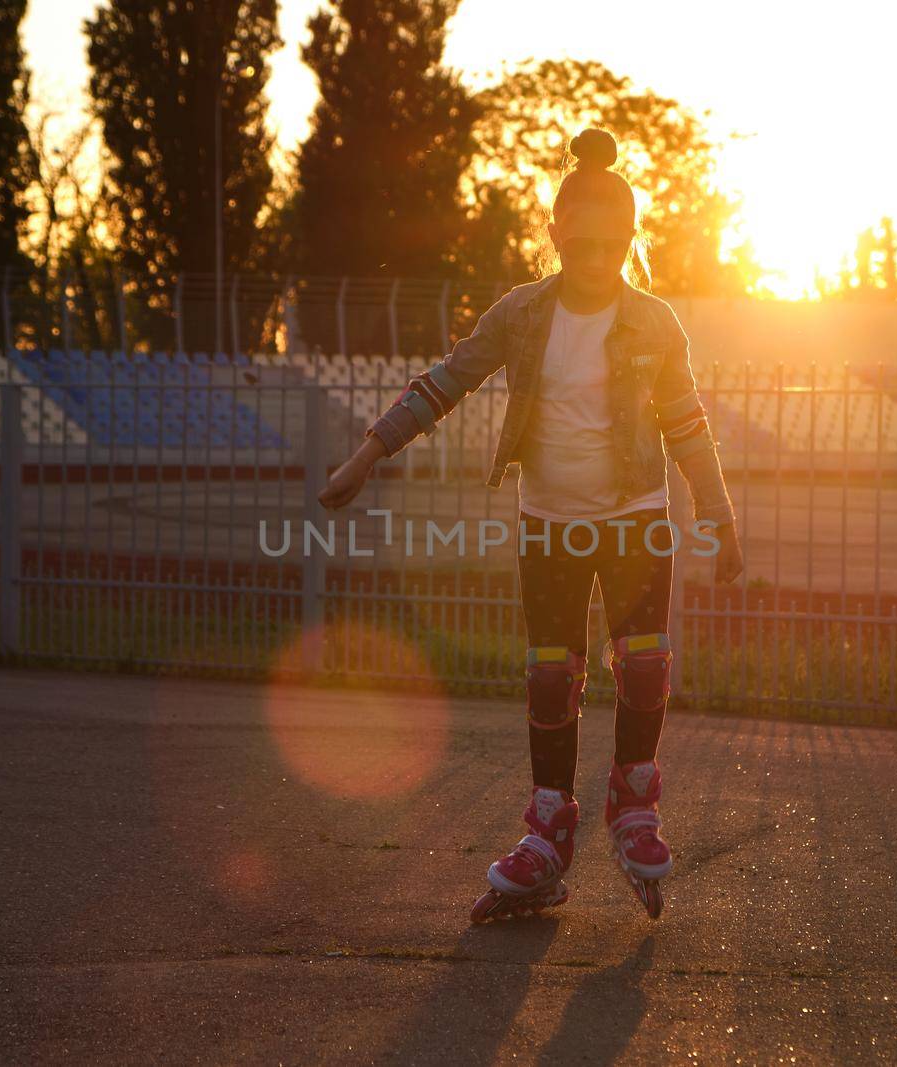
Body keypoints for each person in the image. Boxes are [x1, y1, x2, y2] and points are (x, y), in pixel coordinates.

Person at [318, 127, 743, 921]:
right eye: (580, 246)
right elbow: (443, 382)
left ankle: (635, 806)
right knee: (552, 673)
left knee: (644, 663)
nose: (595, 262)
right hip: (548, 522)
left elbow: (688, 424)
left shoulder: (654, 322)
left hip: (635, 519)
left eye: (611, 248)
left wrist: (719, 512)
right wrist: (367, 454)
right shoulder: (520, 314)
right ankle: (550, 827)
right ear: (553, 237)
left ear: (628, 241)